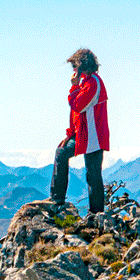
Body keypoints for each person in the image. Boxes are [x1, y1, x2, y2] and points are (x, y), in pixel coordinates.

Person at [50, 48, 109, 214]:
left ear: (82, 66)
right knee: (92, 174)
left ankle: (58, 200)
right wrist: (70, 134)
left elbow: (77, 106)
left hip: (93, 136)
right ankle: (95, 213)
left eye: (75, 67)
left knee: (92, 174)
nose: (73, 71)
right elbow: (78, 114)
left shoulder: (92, 83)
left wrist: (73, 87)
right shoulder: (89, 82)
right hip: (87, 135)